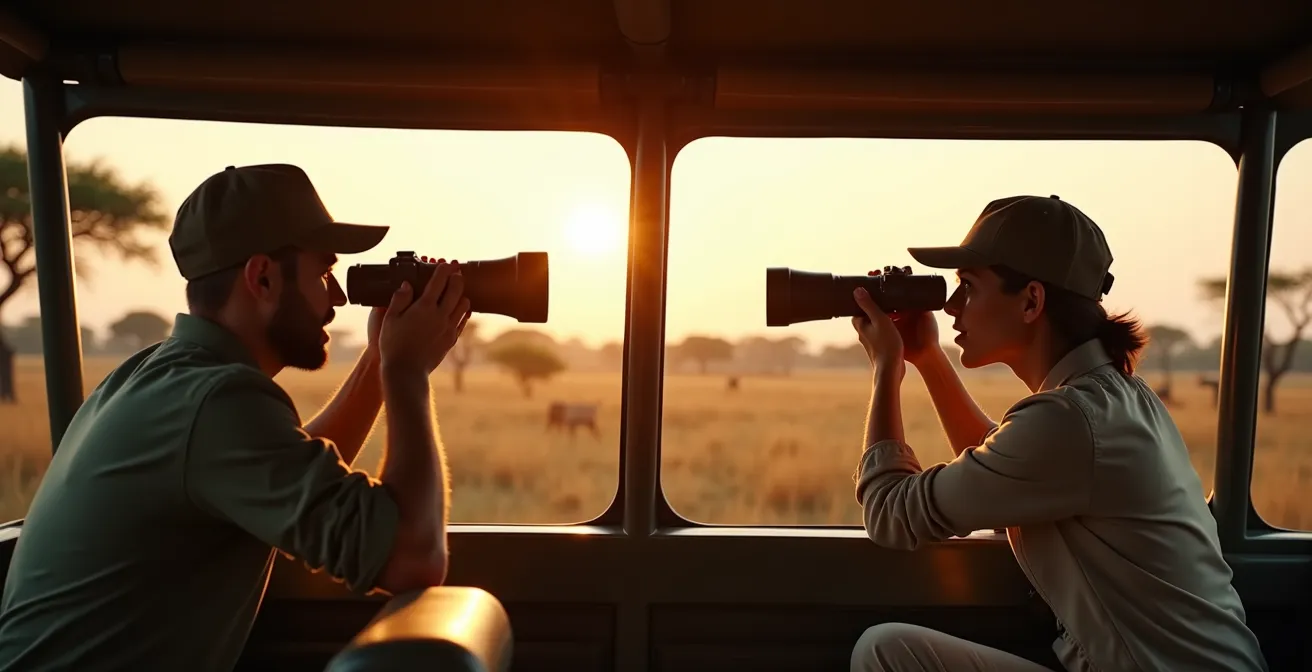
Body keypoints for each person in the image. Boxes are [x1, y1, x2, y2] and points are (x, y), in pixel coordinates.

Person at [0, 164, 472, 672]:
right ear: (262, 277)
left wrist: (379, 360)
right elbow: (413, 557)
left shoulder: (158, 375)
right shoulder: (216, 400)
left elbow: (282, 474)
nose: (337, 297)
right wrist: (405, 370)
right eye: (323, 273)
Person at [846, 195, 1268, 672]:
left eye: (968, 286)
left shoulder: (1070, 421)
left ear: (1031, 301)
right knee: (889, 650)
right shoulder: (1114, 397)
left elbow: (890, 513)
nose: (951, 306)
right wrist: (926, 356)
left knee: (883, 653)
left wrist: (887, 368)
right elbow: (1000, 471)